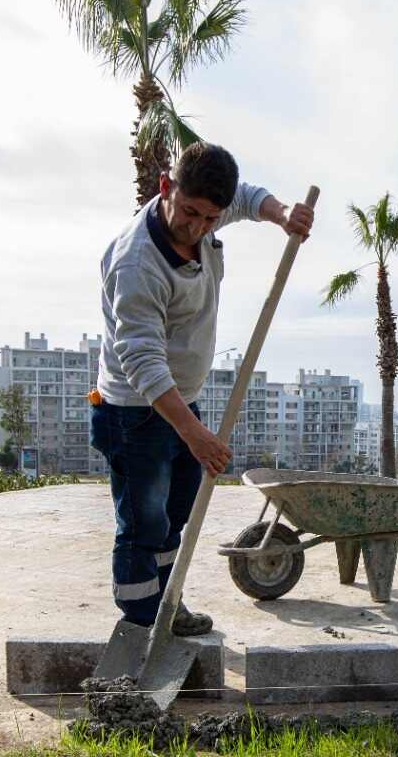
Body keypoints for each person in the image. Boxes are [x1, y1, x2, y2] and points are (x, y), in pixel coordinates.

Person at [91, 142, 314, 635]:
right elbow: (142, 362)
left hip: (179, 402)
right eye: (189, 212)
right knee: (144, 523)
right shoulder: (137, 263)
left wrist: (282, 215)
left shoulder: (210, 209)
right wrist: (196, 435)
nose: (197, 227)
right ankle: (139, 622)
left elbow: (249, 197)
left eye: (210, 218)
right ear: (166, 188)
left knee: (176, 517)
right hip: (134, 410)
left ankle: (167, 606)